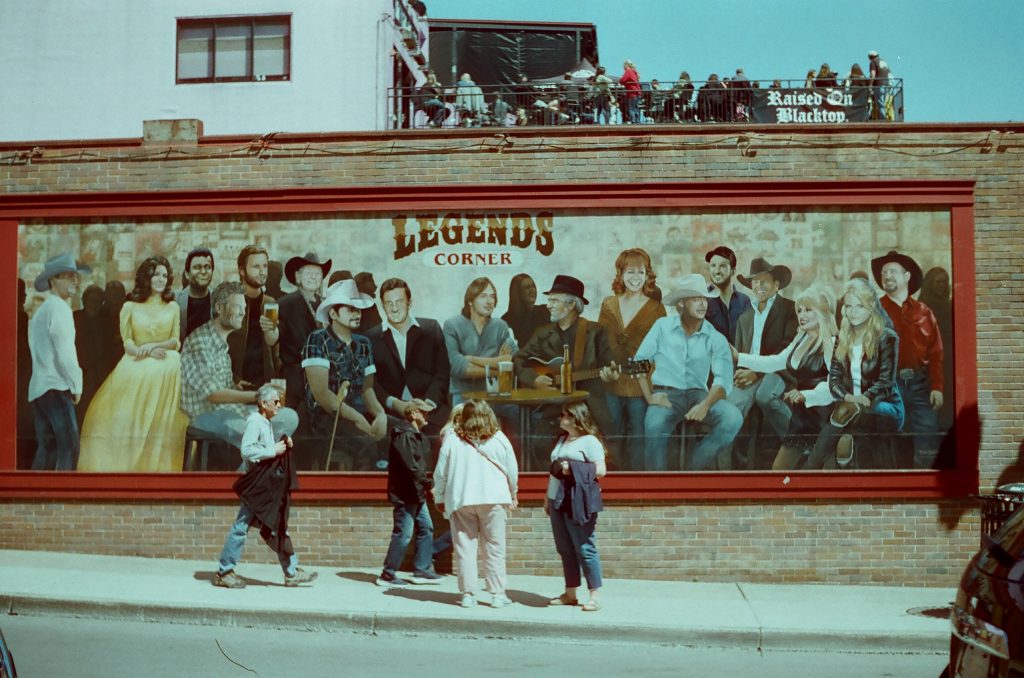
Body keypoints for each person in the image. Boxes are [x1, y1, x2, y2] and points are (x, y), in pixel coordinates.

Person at [78, 256, 191, 472]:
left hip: (166, 364)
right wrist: (142, 351)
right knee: (120, 419)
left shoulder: (173, 307)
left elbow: (175, 341)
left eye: (164, 275)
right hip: (136, 361)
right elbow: (127, 341)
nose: (160, 279)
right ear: (146, 277)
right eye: (156, 275)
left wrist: (155, 346)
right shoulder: (130, 306)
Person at [213, 383, 317, 589]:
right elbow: (247, 450)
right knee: (243, 527)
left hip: (265, 485)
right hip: (258, 485)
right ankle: (225, 571)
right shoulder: (255, 421)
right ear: (263, 403)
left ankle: (291, 571)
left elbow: (264, 449)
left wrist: (282, 444)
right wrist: (273, 451)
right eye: (275, 401)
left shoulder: (265, 422)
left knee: (275, 526)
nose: (279, 405)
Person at [635, 274, 742, 471]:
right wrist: (650, 397)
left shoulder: (716, 337)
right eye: (696, 299)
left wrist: (705, 404)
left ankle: (694, 469)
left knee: (733, 417)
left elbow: (723, 380)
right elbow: (640, 362)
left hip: (698, 395)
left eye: (704, 299)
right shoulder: (662, 327)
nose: (703, 304)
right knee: (654, 425)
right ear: (681, 303)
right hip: (666, 394)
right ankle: (657, 482)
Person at [514, 275, 620, 467]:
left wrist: (610, 375)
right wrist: (534, 379)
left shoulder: (595, 332)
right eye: (549, 300)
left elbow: (609, 365)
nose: (548, 305)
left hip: (588, 406)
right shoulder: (543, 333)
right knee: (539, 444)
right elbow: (519, 359)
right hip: (554, 406)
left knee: (607, 449)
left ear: (571, 305)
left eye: (554, 300)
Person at [180, 281, 298, 450]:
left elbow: (216, 383)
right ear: (219, 308)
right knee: (256, 432)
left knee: (289, 417)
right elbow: (212, 394)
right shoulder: (200, 341)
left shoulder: (221, 342)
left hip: (230, 411)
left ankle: (254, 463)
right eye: (237, 307)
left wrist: (236, 385)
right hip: (207, 415)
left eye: (244, 307)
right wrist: (258, 396)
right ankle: (259, 461)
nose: (243, 312)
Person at [736, 286, 838, 470]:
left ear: (822, 313)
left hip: (824, 420)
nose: (802, 315)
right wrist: (739, 357)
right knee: (778, 471)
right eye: (799, 310)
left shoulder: (831, 343)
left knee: (820, 478)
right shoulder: (800, 339)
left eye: (808, 310)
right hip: (801, 420)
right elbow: (775, 362)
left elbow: (835, 386)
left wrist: (807, 395)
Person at [807, 277, 904, 469]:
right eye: (849, 306)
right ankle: (832, 468)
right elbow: (834, 380)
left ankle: (809, 470)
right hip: (849, 406)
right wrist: (848, 397)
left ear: (871, 307)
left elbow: (885, 383)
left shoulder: (887, 338)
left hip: (883, 407)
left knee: (844, 413)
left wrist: (862, 398)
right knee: (841, 420)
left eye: (860, 306)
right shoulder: (842, 338)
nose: (853, 312)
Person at [432, 399, 518, 609]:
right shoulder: (499, 438)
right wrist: (513, 493)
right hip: (494, 498)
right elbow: (512, 470)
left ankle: (468, 594)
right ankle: (497, 594)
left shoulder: (452, 439)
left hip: (462, 498)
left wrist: (440, 498)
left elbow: (440, 473)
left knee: (465, 548)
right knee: (495, 547)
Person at [303, 279, 394, 471]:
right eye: (351, 309)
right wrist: (357, 419)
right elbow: (321, 394)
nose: (357, 314)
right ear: (333, 314)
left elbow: (367, 389)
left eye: (358, 310)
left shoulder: (363, 343)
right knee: (366, 446)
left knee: (405, 434)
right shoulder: (317, 339)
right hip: (327, 417)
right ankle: (363, 490)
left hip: (360, 412)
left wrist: (380, 414)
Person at [873, 251, 944, 469]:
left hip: (921, 386)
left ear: (907, 276)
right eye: (884, 273)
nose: (887, 276)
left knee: (927, 436)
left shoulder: (924, 312)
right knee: (888, 440)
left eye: (893, 271)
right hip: (887, 385)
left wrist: (937, 387)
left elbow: (936, 352)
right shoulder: (874, 312)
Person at [597, 249, 666, 470]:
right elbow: (601, 344)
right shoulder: (609, 304)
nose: (635, 277)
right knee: (611, 434)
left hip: (641, 384)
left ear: (648, 275)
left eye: (640, 272)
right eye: (630, 272)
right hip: (612, 382)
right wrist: (607, 369)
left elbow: (660, 352)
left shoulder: (656, 309)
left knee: (638, 436)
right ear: (620, 274)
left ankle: (636, 482)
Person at [727, 257, 799, 468]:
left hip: (778, 371)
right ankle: (732, 464)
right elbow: (740, 351)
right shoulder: (745, 317)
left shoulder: (789, 309)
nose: (759, 286)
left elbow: (786, 347)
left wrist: (757, 372)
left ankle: (798, 440)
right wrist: (741, 374)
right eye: (755, 282)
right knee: (729, 407)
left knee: (765, 395)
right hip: (749, 372)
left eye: (764, 281)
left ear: (776, 285)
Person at [28, 252, 91, 470]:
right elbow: (65, 353)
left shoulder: (42, 311)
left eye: (76, 276)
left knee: (47, 450)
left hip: (39, 390)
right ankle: (65, 491)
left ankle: (34, 490)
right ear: (54, 279)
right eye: (69, 276)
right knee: (69, 447)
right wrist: (76, 385)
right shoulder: (60, 309)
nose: (76, 281)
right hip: (56, 387)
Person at [366, 277, 451, 437]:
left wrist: (427, 404)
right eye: (389, 303)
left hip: (432, 411)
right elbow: (372, 383)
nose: (394, 308)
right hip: (391, 414)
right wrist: (394, 403)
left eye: (399, 302)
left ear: (409, 303)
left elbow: (442, 373)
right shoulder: (370, 338)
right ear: (382, 306)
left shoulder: (431, 329)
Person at [545, 401, 606, 612]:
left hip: (577, 500)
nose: (560, 418)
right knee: (565, 548)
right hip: (557, 499)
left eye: (564, 415)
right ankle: (570, 593)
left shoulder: (589, 441)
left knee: (585, 547)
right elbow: (553, 473)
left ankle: (594, 595)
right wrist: (547, 497)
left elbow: (601, 470)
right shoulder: (562, 440)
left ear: (575, 418)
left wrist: (572, 467)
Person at [376, 406, 444, 588]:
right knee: (403, 534)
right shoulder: (405, 434)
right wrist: (429, 484)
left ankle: (422, 570)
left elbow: (416, 466)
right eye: (424, 412)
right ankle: (387, 574)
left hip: (415, 493)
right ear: (413, 414)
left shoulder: (413, 434)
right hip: (405, 493)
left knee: (426, 528)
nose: (428, 415)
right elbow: (411, 466)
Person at [443, 277, 517, 404]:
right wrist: (498, 368)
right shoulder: (452, 324)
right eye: (483, 296)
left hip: (497, 396)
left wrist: (471, 359)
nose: (489, 301)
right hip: (464, 397)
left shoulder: (500, 326)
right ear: (470, 301)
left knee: (520, 413)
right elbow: (456, 368)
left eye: (492, 296)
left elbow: (514, 360)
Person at [278, 252, 331, 413]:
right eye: (308, 272)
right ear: (297, 277)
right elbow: (274, 338)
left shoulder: (327, 305)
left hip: (323, 378)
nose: (313, 277)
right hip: (294, 381)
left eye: (318, 273)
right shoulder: (285, 304)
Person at [228, 244, 280, 391]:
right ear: (242, 270)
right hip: (236, 387)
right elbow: (216, 347)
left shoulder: (270, 303)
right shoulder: (229, 302)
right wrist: (232, 378)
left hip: (267, 386)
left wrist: (276, 384)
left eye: (265, 266)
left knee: (276, 409)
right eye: (256, 267)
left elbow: (275, 349)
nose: (262, 272)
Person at [73, 284, 111, 421]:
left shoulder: (105, 320)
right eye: (91, 300)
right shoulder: (75, 318)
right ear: (84, 300)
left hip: (100, 371)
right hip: (80, 370)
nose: (94, 304)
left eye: (98, 300)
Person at [704, 245, 751, 346]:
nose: (717, 271)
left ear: (733, 271)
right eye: (713, 266)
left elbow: (749, 338)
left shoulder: (744, 301)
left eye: (722, 266)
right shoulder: (704, 300)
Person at [175, 247, 215, 341]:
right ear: (187, 274)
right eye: (197, 267)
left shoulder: (219, 301)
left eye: (207, 267)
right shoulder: (175, 300)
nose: (203, 272)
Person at [501, 273, 548, 346]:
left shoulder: (545, 311)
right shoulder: (506, 320)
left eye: (533, 286)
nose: (532, 290)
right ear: (517, 292)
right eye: (527, 287)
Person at [868, 51, 891, 121]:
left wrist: (870, 85)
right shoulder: (884, 62)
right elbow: (889, 74)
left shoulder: (873, 62)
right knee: (883, 103)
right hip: (886, 85)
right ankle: (883, 118)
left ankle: (883, 120)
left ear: (870, 57)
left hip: (879, 85)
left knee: (880, 104)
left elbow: (872, 74)